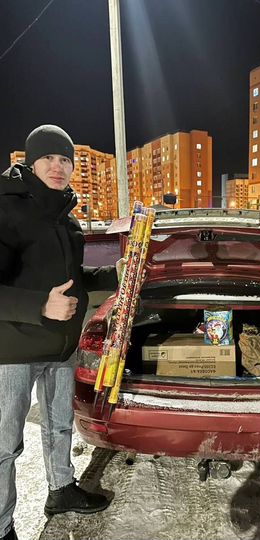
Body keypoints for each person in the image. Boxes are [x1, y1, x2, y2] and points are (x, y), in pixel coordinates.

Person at [0, 125, 120, 540]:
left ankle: (61, 489)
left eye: (66, 160)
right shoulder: (6, 207)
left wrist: (114, 275)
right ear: (31, 162)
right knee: (4, 445)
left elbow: (73, 279)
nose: (58, 166)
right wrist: (39, 306)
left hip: (61, 345)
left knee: (59, 426)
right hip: (13, 348)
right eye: (50, 158)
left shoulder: (65, 218)